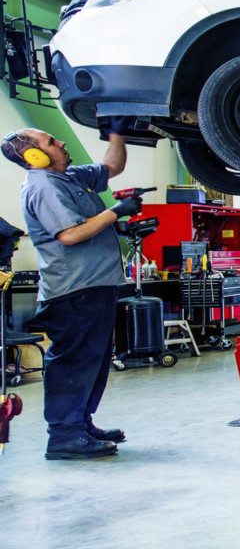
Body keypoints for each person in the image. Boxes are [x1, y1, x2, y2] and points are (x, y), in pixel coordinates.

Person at [8, 124, 136, 460]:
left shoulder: (70, 178)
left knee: (93, 361)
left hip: (95, 285)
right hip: (74, 291)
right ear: (33, 155)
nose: (61, 142)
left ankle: (80, 423)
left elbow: (112, 167)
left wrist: (117, 133)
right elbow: (68, 235)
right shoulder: (43, 187)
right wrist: (115, 213)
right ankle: (64, 436)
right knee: (73, 362)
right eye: (50, 141)